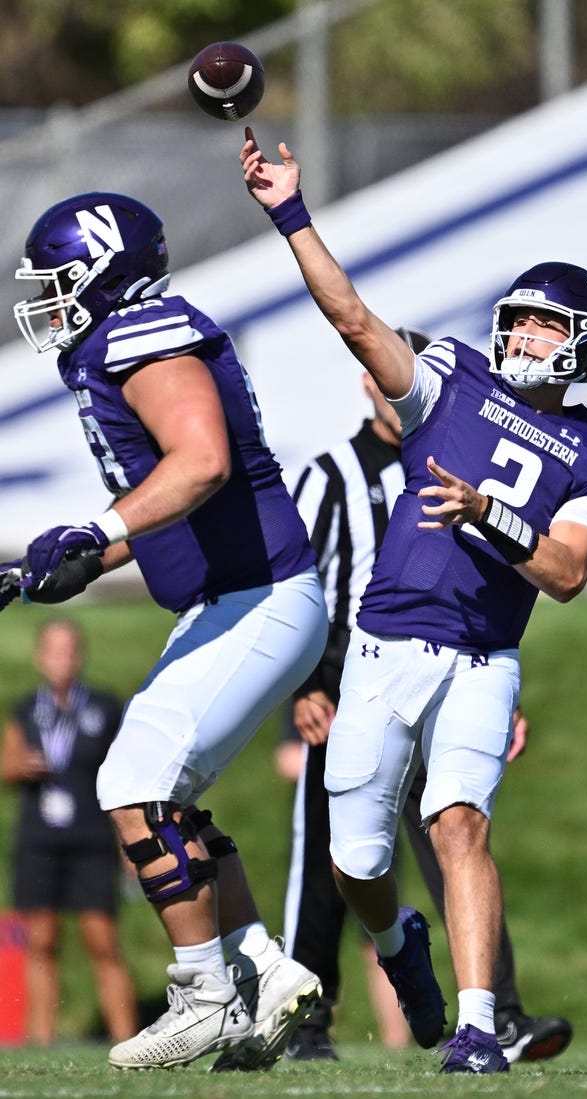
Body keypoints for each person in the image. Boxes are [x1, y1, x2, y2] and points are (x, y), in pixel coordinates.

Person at [239, 130, 587, 1075]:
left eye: (548, 326)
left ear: (581, 347)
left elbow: (568, 570)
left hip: (480, 658)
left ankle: (475, 1026)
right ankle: (397, 949)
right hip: (381, 647)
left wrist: (484, 511)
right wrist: (288, 213)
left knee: (460, 822)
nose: (526, 336)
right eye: (523, 319)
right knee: (358, 860)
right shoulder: (449, 381)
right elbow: (352, 318)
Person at [0, 191, 329, 1072]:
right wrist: (62, 564)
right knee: (162, 793)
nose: (50, 299)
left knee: (133, 777)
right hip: (242, 595)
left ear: (107, 274)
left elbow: (203, 461)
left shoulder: (137, 331)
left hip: (257, 595)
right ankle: (259, 966)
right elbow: (168, 506)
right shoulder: (123, 341)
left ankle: (204, 993)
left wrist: (99, 531)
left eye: (62, 280)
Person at [282, 349, 572, 1064]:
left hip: (453, 670)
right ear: (368, 383)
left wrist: (501, 695)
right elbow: (294, 584)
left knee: (460, 836)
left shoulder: (464, 458)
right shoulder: (328, 474)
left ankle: (495, 1016)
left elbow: (480, 590)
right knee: (337, 858)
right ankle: (308, 1020)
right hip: (357, 675)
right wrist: (305, 682)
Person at [0, 617, 138, 1046]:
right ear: (40, 657)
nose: (63, 659)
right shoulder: (26, 710)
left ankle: (128, 1039)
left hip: (92, 841)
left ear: (81, 654)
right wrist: (17, 768)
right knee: (41, 943)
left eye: (70, 650)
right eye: (54, 651)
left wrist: (129, 848)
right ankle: (40, 1040)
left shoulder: (104, 706)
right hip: (39, 842)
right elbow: (7, 766)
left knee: (103, 942)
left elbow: (125, 775)